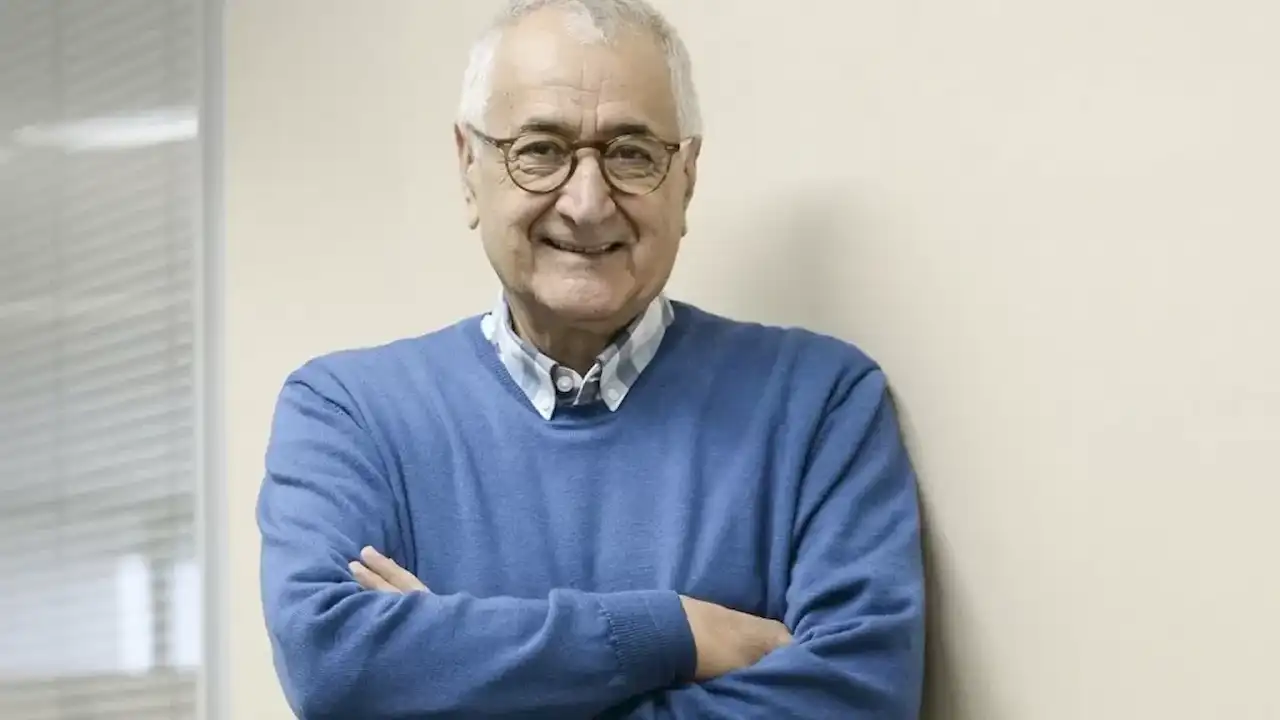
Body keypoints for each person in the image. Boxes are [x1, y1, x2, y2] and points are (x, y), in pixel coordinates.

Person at [256, 0, 926, 717]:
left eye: (631, 153)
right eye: (540, 150)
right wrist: (673, 633)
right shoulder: (347, 414)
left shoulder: (820, 406)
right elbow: (331, 661)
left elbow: (859, 699)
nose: (586, 202)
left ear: (687, 177)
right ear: (468, 166)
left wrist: (455, 676)